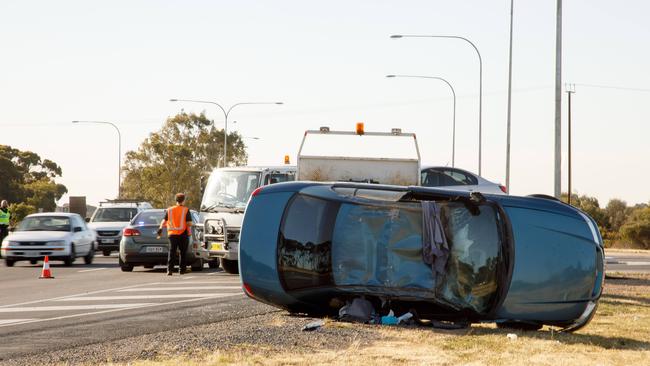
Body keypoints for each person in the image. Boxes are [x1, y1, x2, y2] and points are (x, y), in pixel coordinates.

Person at [158, 193, 192, 276]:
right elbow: (189, 223)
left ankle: (169, 270)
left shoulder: (169, 210)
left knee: (172, 252)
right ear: (183, 200)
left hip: (172, 234)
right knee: (183, 252)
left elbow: (164, 221)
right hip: (183, 233)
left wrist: (160, 228)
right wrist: (191, 224)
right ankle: (182, 270)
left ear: (176, 200)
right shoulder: (186, 210)